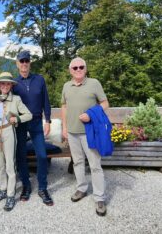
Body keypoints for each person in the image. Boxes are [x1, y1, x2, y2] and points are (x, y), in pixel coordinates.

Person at [61, 57, 110, 216]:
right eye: (74, 68)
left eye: (81, 67)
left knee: (95, 165)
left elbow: (105, 103)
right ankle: (81, 189)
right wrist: (64, 127)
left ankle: (99, 198)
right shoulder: (66, 86)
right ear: (70, 70)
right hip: (72, 132)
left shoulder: (94, 83)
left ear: (86, 68)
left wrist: (90, 114)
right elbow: (64, 106)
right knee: (77, 162)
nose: (78, 69)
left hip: (91, 132)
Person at [0, 72, 32, 211]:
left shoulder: (16, 99)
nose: (5, 86)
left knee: (10, 165)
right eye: (3, 83)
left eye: (8, 83)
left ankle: (11, 195)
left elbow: (29, 114)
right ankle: (3, 189)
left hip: (8, 132)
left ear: (11, 85)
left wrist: (16, 119)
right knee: (0, 165)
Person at [12, 50, 53, 206]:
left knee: (42, 155)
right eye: (21, 61)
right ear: (17, 64)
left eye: (26, 61)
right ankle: (26, 186)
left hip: (36, 122)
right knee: (20, 155)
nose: (24, 64)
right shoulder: (14, 83)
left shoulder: (39, 79)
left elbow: (46, 102)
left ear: (30, 63)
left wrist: (47, 120)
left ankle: (42, 188)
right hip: (21, 123)